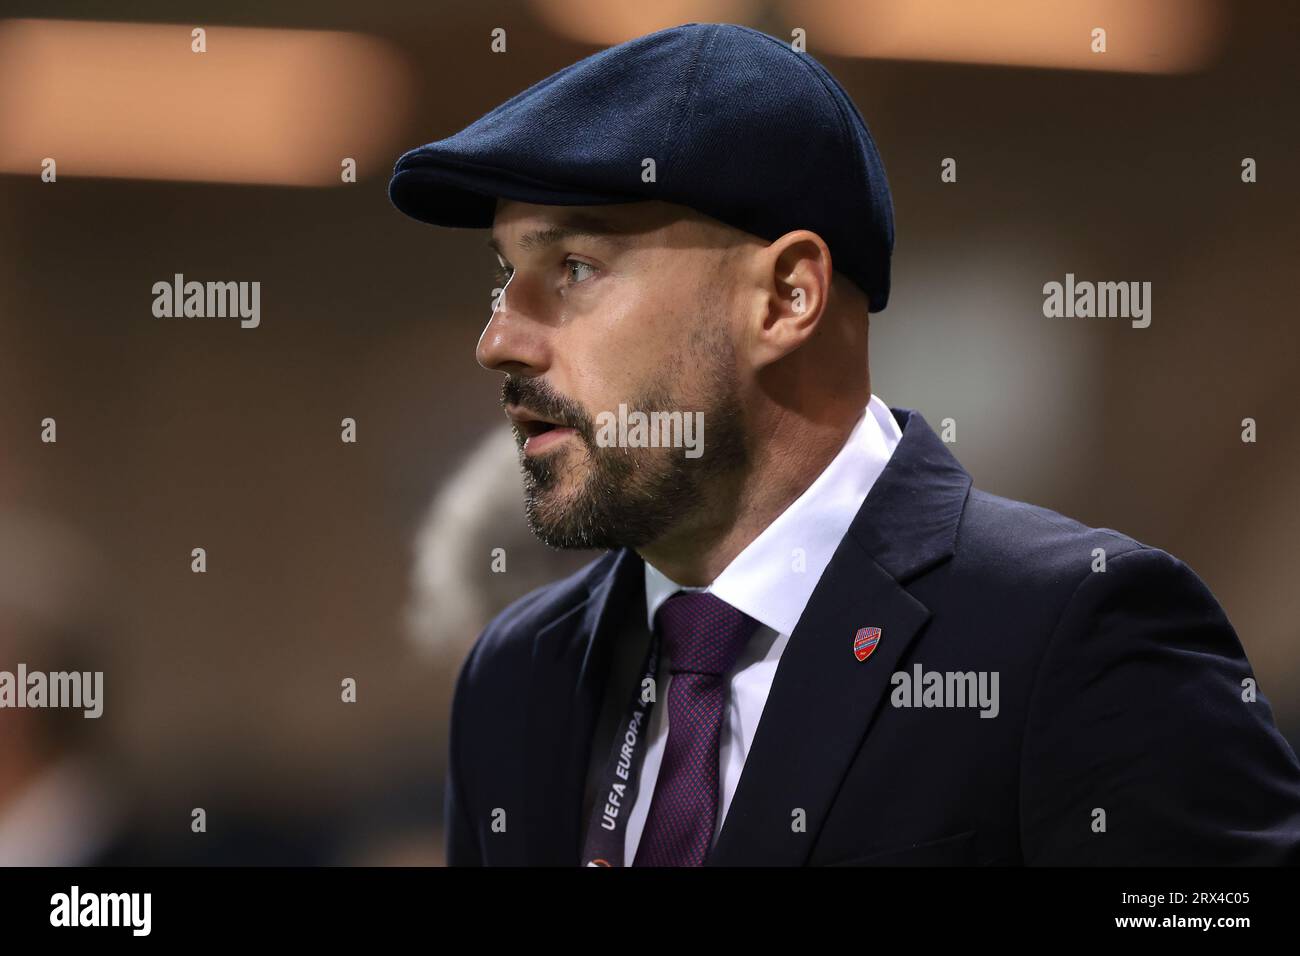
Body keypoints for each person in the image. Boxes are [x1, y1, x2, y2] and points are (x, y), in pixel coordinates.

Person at [388, 23, 1300, 866]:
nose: (498, 339)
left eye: (574, 268)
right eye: (508, 277)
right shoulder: (515, 681)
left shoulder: (1073, 634)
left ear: (787, 297)